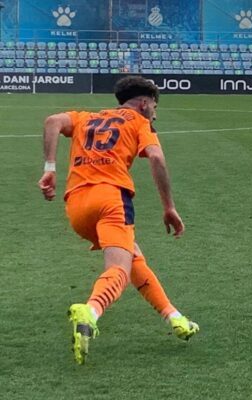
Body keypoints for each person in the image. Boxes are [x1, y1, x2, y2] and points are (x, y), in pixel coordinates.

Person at [37, 76, 199, 365]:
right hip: (111, 201)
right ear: (145, 103)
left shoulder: (87, 117)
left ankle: (175, 318)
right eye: (154, 107)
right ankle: (91, 311)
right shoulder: (139, 121)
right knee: (119, 271)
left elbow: (52, 121)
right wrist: (169, 207)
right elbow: (157, 159)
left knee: (133, 256)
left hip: (76, 206)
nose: (154, 113)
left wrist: (50, 168)